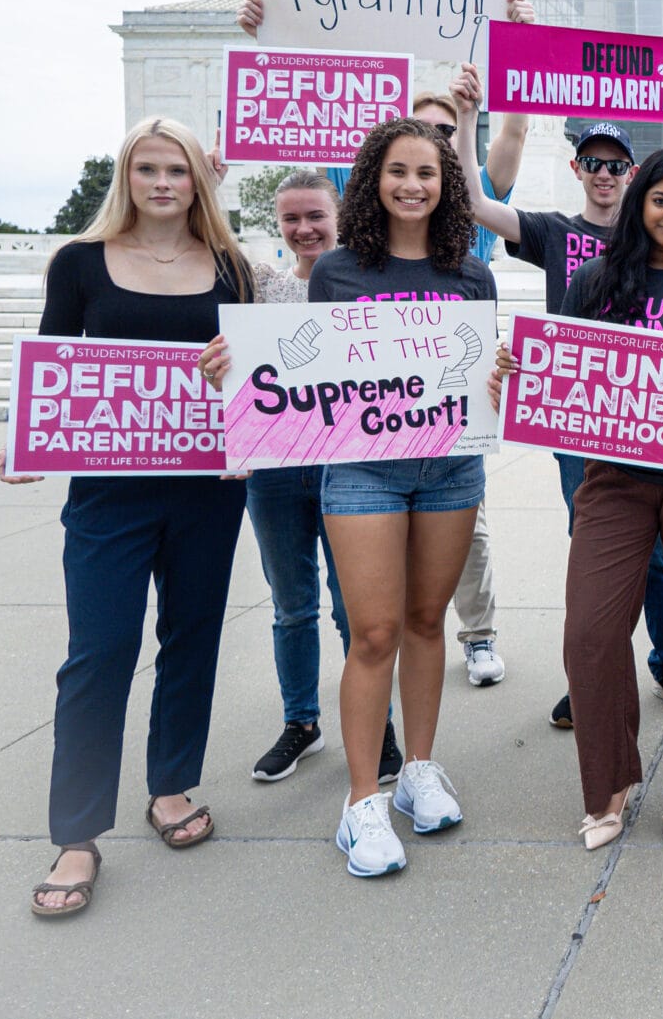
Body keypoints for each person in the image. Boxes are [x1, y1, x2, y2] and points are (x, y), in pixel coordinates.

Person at [207, 116, 498, 877]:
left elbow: (473, 368)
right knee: (373, 633)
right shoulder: (337, 270)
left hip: (450, 466)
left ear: (447, 185)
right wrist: (240, 374)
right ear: (373, 179)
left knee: (428, 620)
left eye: (427, 173)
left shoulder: (472, 273)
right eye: (398, 170)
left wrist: (496, 379)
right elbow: (309, 368)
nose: (412, 184)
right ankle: (362, 801)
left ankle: (422, 770)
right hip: (364, 467)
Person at [238, 0, 523, 689]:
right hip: (371, 444)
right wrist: (269, 40)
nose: (416, 173)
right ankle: (364, 744)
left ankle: (478, 633)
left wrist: (515, 46)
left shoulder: (477, 209)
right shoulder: (347, 258)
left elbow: (505, 140)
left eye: (434, 154)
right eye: (401, 159)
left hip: (449, 439)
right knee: (373, 619)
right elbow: (306, 112)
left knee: (463, 555)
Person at [6, 118, 253, 918]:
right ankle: (76, 832)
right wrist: (25, 439)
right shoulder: (79, 263)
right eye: (146, 168)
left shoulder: (230, 266)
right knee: (99, 652)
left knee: (191, 637)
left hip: (205, 489)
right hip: (108, 493)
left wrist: (236, 380)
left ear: (197, 180)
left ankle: (171, 784)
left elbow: (258, 377)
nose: (160, 183)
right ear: (126, 176)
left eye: (175, 170)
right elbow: (52, 362)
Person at [509, 148, 663, 851]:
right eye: (661, 200)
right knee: (590, 631)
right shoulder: (596, 280)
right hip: (615, 479)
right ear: (639, 203)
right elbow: (564, 364)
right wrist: (518, 367)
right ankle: (609, 781)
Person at [446, 63, 663, 725]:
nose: (604, 172)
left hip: (646, 418)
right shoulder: (554, 232)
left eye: (616, 163)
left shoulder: (655, 238)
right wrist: (469, 119)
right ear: (577, 169)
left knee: (658, 557)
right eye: (593, 161)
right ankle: (593, 678)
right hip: (576, 427)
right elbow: (475, 204)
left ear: (632, 174)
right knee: (596, 555)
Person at [240, 171, 401, 784]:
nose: (304, 228)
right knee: (291, 606)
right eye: (291, 219)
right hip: (276, 470)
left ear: (339, 215)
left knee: (355, 609)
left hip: (349, 467)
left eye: (315, 216)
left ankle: (376, 725)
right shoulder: (261, 287)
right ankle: (301, 723)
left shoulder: (366, 286)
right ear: (278, 225)